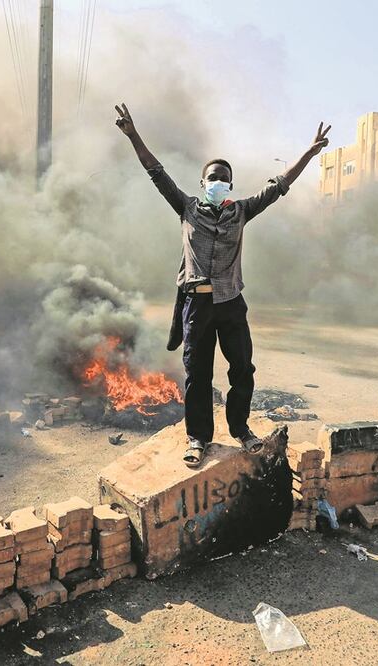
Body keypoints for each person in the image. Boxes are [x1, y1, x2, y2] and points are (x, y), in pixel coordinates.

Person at [115, 103, 331, 468]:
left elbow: (279, 186)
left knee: (242, 369)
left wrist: (308, 154)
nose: (217, 181)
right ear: (203, 184)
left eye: (223, 178)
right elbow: (156, 172)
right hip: (197, 306)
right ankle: (197, 438)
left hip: (231, 304)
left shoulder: (241, 211)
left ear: (229, 185)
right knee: (197, 375)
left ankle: (241, 430)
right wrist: (134, 135)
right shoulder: (186, 207)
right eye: (212, 177)